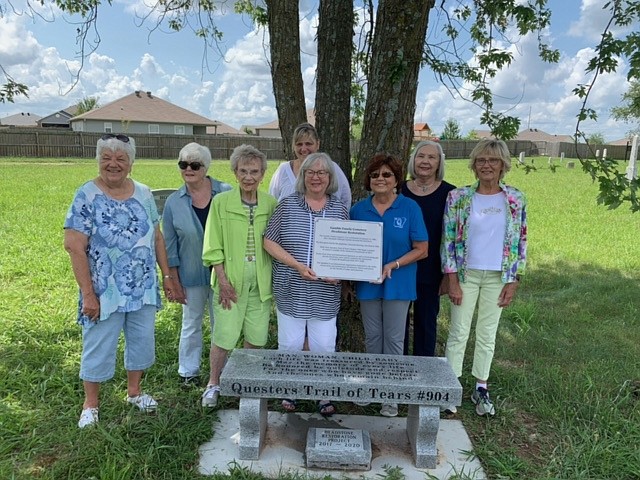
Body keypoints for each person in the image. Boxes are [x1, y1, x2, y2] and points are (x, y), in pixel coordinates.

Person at [64, 133, 180, 428]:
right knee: (98, 343)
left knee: (142, 340)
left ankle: (135, 392)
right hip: (104, 289)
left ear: (131, 163)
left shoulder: (143, 192)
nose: (113, 164)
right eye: (106, 158)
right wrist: (88, 294)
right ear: (98, 161)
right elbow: (74, 246)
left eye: (120, 159)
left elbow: (156, 236)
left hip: (141, 286)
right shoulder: (87, 194)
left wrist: (166, 276)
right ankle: (91, 404)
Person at [442, 138, 527, 417]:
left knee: (487, 334)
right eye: (481, 160)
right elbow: (449, 241)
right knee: (459, 331)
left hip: (498, 276)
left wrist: (514, 279)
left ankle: (481, 387)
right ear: (474, 165)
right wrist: (452, 279)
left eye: (493, 160)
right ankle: (450, 387)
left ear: (503, 165)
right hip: (466, 274)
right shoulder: (459, 197)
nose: (487, 165)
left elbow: (521, 241)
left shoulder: (515, 199)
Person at [264, 152, 349, 417]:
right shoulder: (287, 205)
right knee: (289, 343)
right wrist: (297, 266)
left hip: (325, 292)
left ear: (330, 178)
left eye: (322, 173)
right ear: (303, 176)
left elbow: (349, 251)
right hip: (291, 288)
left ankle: (323, 395)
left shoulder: (339, 210)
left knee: (324, 345)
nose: (316, 177)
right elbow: (269, 241)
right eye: (311, 172)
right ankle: (290, 390)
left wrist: (341, 273)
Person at [349, 153, 428, 418]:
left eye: (386, 175)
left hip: (399, 283)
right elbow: (348, 247)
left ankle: (390, 395)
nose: (380, 179)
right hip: (367, 284)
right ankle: (371, 388)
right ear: (368, 180)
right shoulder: (358, 210)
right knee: (373, 337)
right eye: (374, 175)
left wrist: (392, 265)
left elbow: (422, 249)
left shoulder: (409, 208)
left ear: (396, 179)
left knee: (394, 339)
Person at [201, 144, 277, 408]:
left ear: (263, 174)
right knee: (224, 333)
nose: (249, 177)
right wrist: (222, 280)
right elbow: (213, 244)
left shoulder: (270, 203)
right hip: (230, 278)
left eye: (254, 171)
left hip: (261, 276)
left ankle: (247, 382)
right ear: (235, 172)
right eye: (243, 171)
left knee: (256, 335)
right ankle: (214, 383)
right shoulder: (221, 203)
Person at [163, 142, 232, 387]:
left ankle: (223, 372)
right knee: (191, 322)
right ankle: (188, 371)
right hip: (190, 274)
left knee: (223, 323)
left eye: (195, 165)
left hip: (224, 274)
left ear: (206, 167)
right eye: (183, 164)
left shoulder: (226, 192)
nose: (188, 169)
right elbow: (169, 244)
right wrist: (171, 277)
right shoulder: (173, 202)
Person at [402, 141, 455, 357]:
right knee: (398, 326)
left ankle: (424, 372)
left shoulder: (450, 194)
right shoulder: (400, 190)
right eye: (420, 156)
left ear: (439, 163)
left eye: (432, 157)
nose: (425, 161)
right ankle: (400, 369)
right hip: (400, 269)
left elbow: (452, 238)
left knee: (426, 324)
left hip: (432, 270)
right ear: (413, 160)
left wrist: (447, 276)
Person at [268, 122, 351, 207]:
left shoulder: (332, 168)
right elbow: (271, 204)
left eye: (308, 144)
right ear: (293, 146)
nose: (303, 149)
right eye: (299, 144)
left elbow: (345, 201)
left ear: (317, 144)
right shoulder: (283, 171)